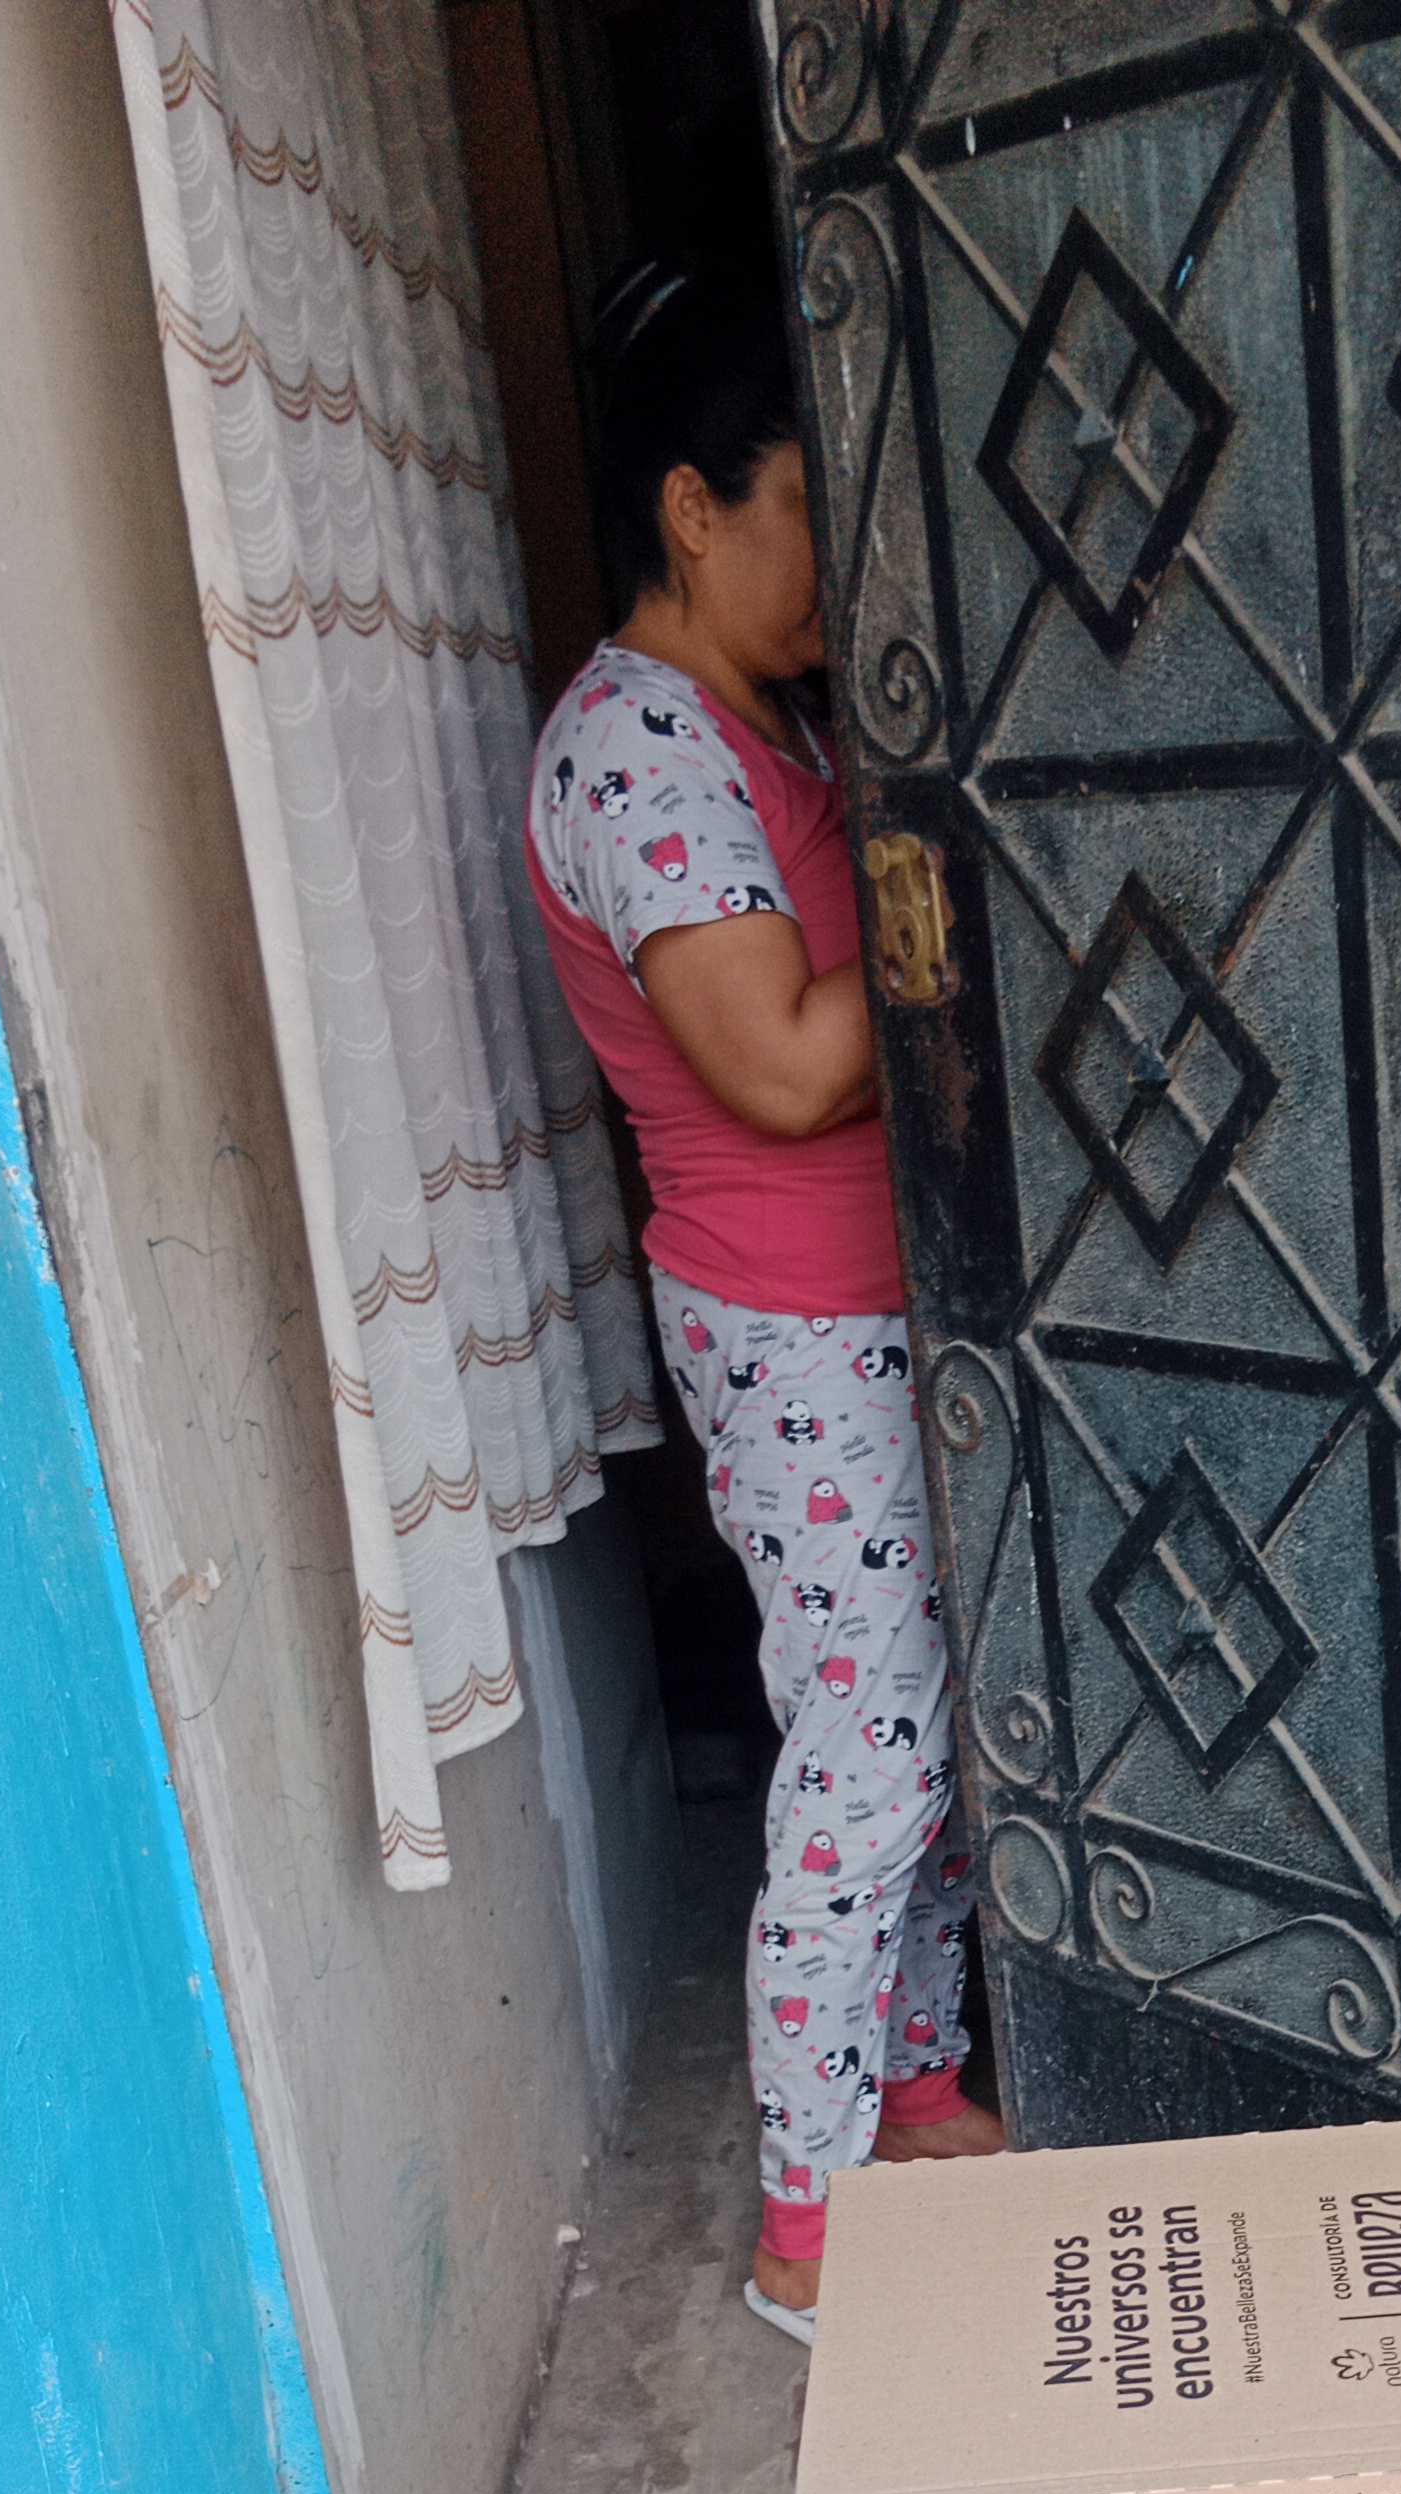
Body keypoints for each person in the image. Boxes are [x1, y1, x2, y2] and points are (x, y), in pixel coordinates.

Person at [525, 259, 1001, 2342]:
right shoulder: (632, 756)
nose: (840, 558)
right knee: (863, 1763)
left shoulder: (764, 719)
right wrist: (953, 885)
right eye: (809, 505)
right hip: (794, 1330)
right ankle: (806, 2222)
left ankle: (915, 2092)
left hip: (888, 1305)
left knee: (931, 1729)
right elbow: (790, 1068)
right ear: (694, 509)